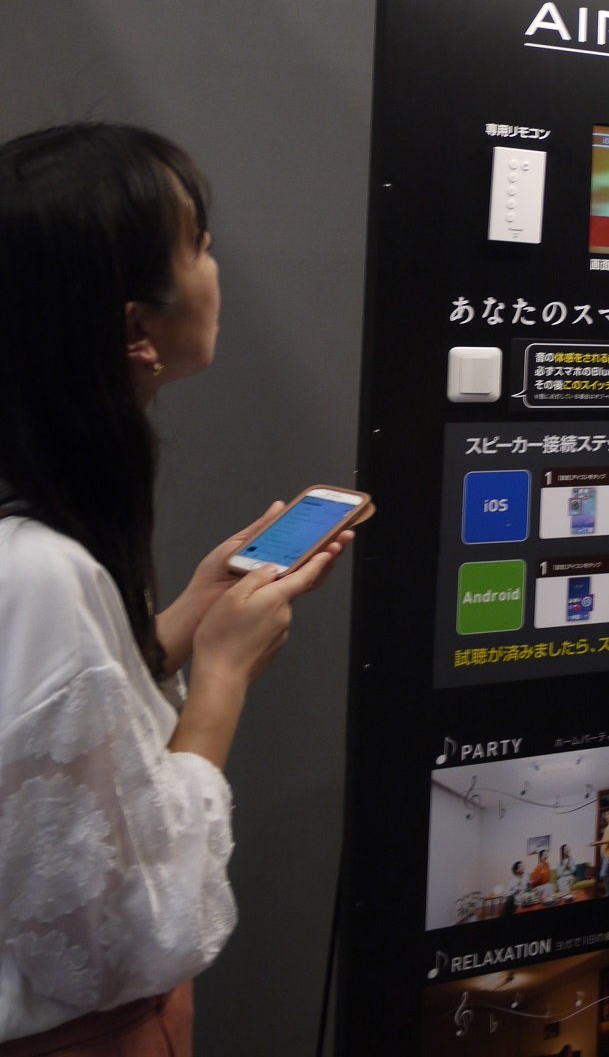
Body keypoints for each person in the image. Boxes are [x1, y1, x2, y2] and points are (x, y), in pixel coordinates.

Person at [0, 122, 352, 1055]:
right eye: (197, 245)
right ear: (134, 328)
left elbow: (44, 751)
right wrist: (223, 676)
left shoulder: (40, 538)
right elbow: (131, 939)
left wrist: (184, 620)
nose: (215, 266)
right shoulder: (40, 568)